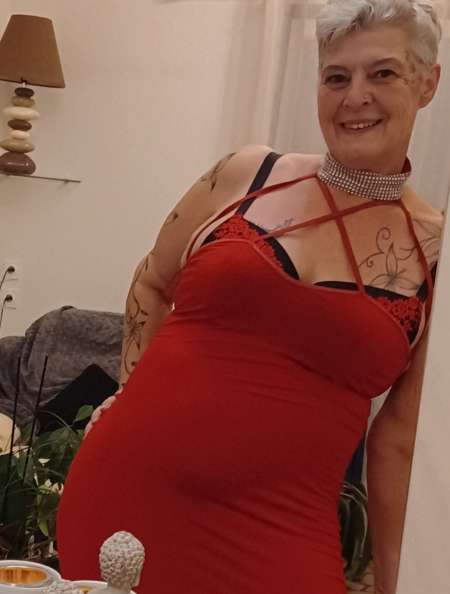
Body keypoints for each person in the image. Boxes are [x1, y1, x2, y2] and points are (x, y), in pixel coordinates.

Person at [57, 1, 444, 593]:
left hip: (284, 533)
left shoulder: (435, 252)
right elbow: (152, 281)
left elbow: (397, 442)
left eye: (382, 73)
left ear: (427, 83)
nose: (355, 97)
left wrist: (393, 585)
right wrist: (129, 390)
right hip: (128, 500)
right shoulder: (247, 174)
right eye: (336, 77)